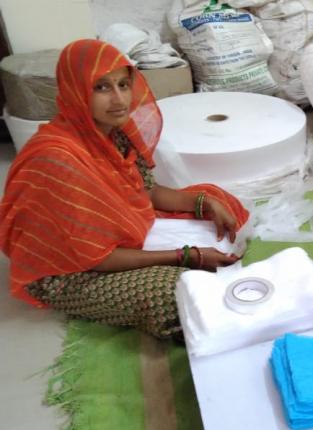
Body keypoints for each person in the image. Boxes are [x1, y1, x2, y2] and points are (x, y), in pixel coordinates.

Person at [0, 40, 250, 338]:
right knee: (178, 293)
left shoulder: (113, 132)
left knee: (217, 197)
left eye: (123, 84)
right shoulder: (57, 159)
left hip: (112, 241)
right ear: (75, 90)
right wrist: (187, 255)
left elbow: (147, 192)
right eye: (102, 87)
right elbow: (97, 258)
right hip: (70, 271)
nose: (119, 99)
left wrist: (203, 202)